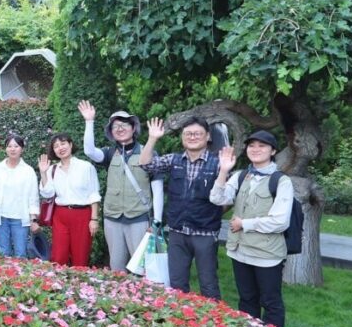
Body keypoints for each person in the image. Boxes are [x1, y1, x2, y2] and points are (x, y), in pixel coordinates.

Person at [209, 131, 293, 327]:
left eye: (262, 146)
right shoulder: (240, 176)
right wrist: (223, 171)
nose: (255, 149)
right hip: (240, 252)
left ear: (273, 151)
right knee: (246, 299)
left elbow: (280, 221)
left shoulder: (281, 181)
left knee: (270, 302)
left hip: (267, 254)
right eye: (252, 145)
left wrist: (244, 224)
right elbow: (217, 198)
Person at [139, 116, 223, 299]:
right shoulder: (175, 160)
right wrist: (152, 138)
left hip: (205, 234)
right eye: (188, 134)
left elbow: (227, 197)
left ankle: (212, 323)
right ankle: (182, 321)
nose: (192, 137)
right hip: (177, 231)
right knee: (176, 284)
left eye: (197, 134)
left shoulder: (218, 164)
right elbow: (145, 164)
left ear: (208, 136)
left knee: (208, 284)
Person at [78, 101, 165, 271]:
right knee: (117, 268)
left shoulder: (148, 152)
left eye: (124, 124)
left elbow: (158, 188)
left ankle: (143, 297)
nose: (120, 128)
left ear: (133, 128)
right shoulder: (110, 153)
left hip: (139, 218)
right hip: (113, 219)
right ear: (111, 132)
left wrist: (157, 221)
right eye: (115, 126)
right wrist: (89, 121)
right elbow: (89, 151)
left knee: (143, 268)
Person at [38, 132, 101, 267]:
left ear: (71, 145)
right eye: (56, 146)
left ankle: (79, 285)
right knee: (58, 255)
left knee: (81, 254)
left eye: (63, 143)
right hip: (60, 215)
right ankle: (58, 284)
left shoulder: (85, 167)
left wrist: (94, 219)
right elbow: (47, 193)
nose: (60, 148)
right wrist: (43, 173)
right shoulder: (52, 169)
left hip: (82, 215)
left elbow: (93, 194)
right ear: (53, 151)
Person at [0, 133, 40, 257]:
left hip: (20, 219)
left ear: (22, 149)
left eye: (16, 146)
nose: (12, 149)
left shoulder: (28, 170)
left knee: (20, 253)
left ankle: (21, 276)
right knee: (3, 253)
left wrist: (33, 219)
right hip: (2, 218)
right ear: (5, 149)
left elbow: (33, 196)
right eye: (9, 146)